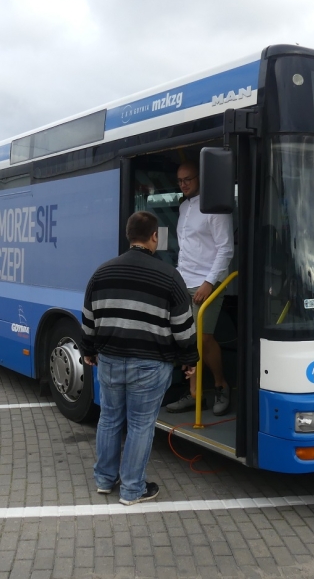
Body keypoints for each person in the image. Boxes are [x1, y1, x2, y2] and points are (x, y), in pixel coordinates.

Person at [81, 211, 199, 506]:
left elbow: (88, 318)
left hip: (109, 359)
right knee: (140, 424)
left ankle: (105, 480)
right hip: (150, 363)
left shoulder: (102, 273)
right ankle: (132, 489)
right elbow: (183, 326)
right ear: (154, 237)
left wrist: (89, 350)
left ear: (128, 235)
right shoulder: (170, 277)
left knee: (109, 419)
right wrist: (189, 359)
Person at [166, 161, 234, 416]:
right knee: (187, 339)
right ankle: (194, 394)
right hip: (183, 281)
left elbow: (226, 249)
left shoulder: (216, 209)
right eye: (179, 180)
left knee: (203, 338)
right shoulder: (184, 207)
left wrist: (209, 282)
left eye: (188, 179)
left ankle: (221, 385)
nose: (183, 184)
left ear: (201, 178)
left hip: (207, 282)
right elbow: (187, 248)